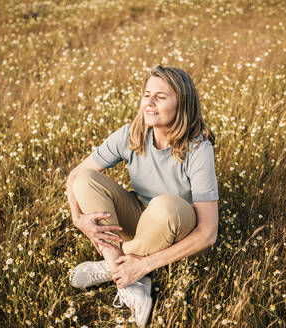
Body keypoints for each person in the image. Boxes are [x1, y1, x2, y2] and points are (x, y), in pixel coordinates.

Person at [66, 65, 219, 327]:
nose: (149, 102)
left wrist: (145, 264)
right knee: (85, 180)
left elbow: (208, 233)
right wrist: (77, 218)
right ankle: (131, 284)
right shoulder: (131, 133)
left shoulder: (198, 148)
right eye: (147, 94)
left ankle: (113, 267)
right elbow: (75, 175)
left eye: (160, 97)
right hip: (141, 222)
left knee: (165, 205)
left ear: (182, 104)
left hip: (179, 231)